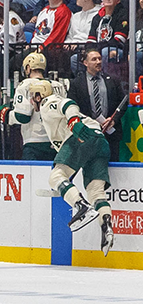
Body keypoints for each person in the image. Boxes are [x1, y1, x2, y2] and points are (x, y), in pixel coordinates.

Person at [29, 80, 116, 254]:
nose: (31, 101)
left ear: (39, 95)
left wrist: (74, 122)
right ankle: (107, 227)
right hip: (99, 140)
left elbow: (68, 104)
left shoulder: (48, 102)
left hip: (81, 138)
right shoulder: (48, 110)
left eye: (33, 96)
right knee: (96, 192)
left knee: (56, 176)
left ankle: (81, 206)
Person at [68, 49, 126, 161]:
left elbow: (123, 102)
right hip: (88, 133)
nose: (98, 61)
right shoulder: (76, 84)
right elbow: (73, 106)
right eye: (94, 59)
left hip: (110, 133)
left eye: (99, 58)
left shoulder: (112, 80)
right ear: (85, 63)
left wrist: (113, 120)